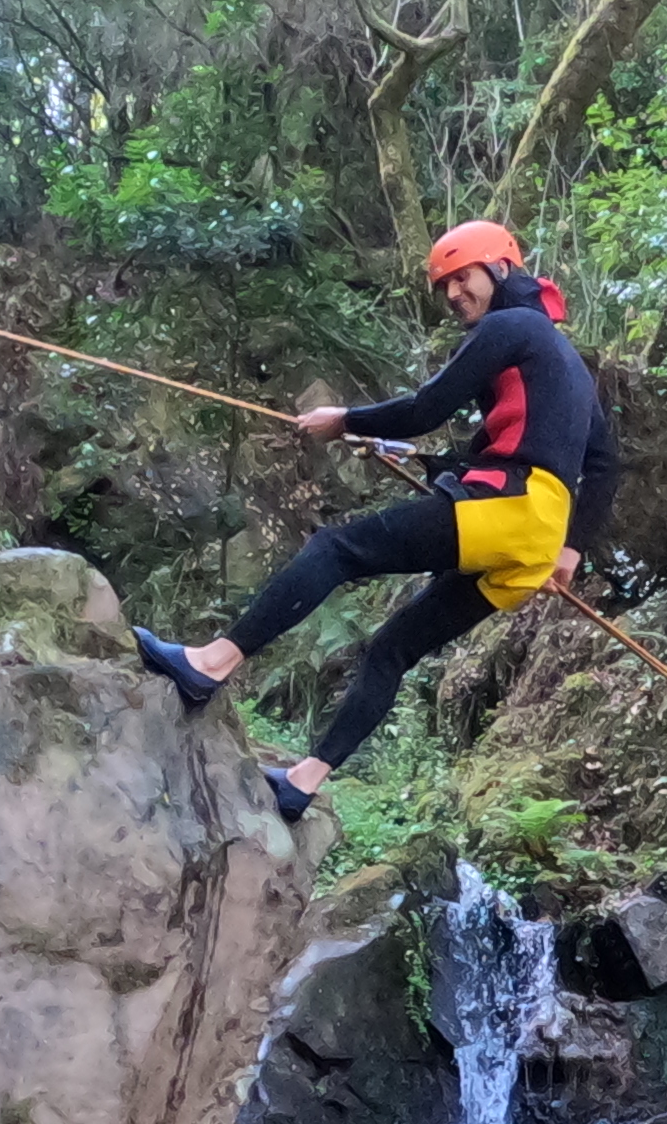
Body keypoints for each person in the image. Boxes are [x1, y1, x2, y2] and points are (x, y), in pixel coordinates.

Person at [139, 219, 610, 821]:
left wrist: (346, 419)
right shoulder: (567, 363)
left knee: (337, 550)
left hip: (507, 506)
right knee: (393, 649)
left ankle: (210, 665)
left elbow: (426, 407)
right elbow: (602, 461)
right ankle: (302, 782)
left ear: (500, 268)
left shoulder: (510, 325)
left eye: (461, 277)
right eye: (444, 286)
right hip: (534, 537)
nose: (453, 294)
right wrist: (568, 551)